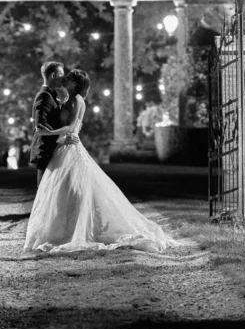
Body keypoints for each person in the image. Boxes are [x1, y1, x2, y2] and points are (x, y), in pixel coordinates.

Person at [24, 69, 178, 253]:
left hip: (68, 146)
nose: (65, 79)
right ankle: (65, 227)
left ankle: (75, 229)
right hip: (64, 146)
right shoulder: (70, 99)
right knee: (67, 190)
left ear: (75, 84)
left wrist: (52, 134)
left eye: (69, 79)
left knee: (73, 189)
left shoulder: (76, 100)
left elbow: (72, 126)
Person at [28, 61, 78, 186]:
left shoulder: (53, 95)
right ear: (54, 75)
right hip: (45, 149)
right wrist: (61, 139)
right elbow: (40, 125)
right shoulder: (44, 96)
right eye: (61, 74)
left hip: (52, 149)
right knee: (44, 191)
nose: (64, 77)